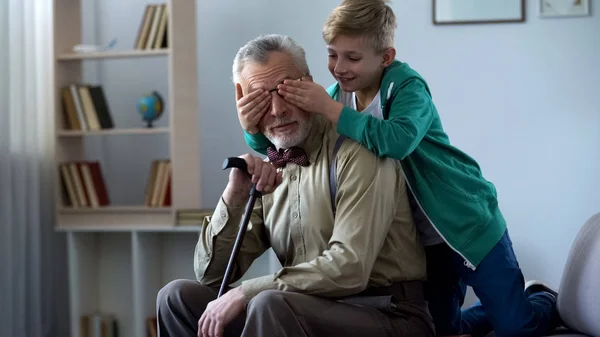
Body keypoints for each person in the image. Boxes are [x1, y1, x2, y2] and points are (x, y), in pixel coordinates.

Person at [236, 1, 560, 336]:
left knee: (519, 329)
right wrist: (251, 129)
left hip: (466, 225)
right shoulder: (338, 98)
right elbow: (296, 146)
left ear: (386, 57)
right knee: (443, 329)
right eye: (333, 54)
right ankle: (500, 310)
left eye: (353, 57)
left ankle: (541, 297)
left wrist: (328, 108)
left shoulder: (406, 87)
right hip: (425, 241)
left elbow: (398, 140)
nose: (340, 67)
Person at [156, 34, 436, 337]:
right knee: (176, 298)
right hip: (296, 309)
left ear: (309, 83)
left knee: (269, 304)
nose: (277, 110)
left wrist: (246, 292)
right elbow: (211, 275)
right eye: (261, 97)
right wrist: (234, 197)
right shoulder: (270, 164)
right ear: (241, 100)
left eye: (285, 91)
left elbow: (350, 268)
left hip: (386, 312)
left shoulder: (359, 150)